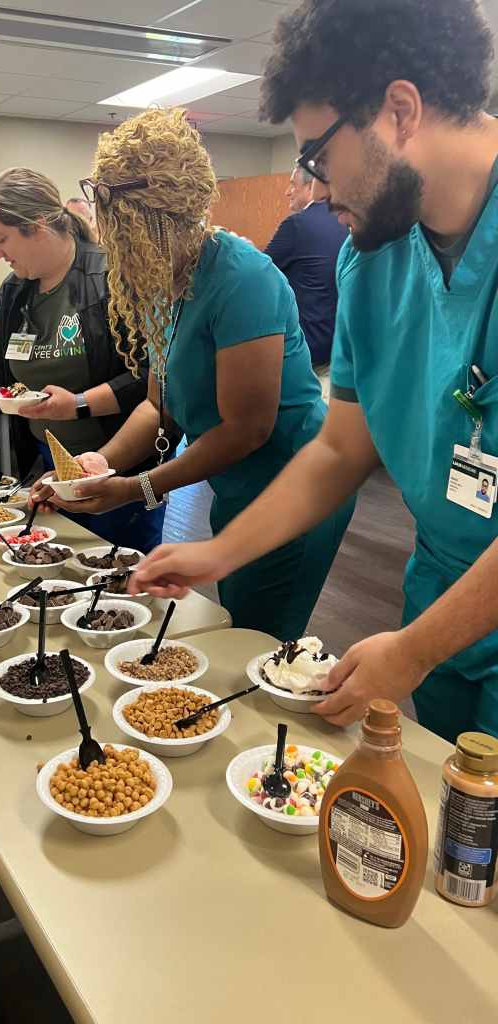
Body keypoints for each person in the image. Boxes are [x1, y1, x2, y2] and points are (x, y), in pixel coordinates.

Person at [131, 0, 498, 743]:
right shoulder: (371, 260)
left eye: (317, 157)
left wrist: (417, 649)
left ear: (400, 110)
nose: (317, 189)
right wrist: (216, 552)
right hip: (443, 588)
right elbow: (338, 450)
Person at [31, 108, 354, 639]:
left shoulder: (242, 277)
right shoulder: (162, 283)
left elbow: (246, 428)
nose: (107, 239)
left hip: (295, 482)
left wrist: (137, 488)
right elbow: (160, 407)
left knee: (258, 636)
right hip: (237, 483)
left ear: (154, 216)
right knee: (237, 619)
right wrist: (97, 466)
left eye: (114, 222)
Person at [0, 168, 164, 552]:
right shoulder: (14, 293)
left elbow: (147, 381)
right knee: (66, 574)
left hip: (117, 464)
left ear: (37, 226)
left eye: (0, 239)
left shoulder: (110, 277)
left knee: (120, 577)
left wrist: (76, 405)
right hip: (51, 462)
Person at [266, 167, 348, 376]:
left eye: (293, 184)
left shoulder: (297, 225)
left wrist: (241, 249)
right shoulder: (344, 222)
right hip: (337, 349)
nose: (288, 191)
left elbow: (258, 271)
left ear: (311, 186)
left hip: (305, 352)